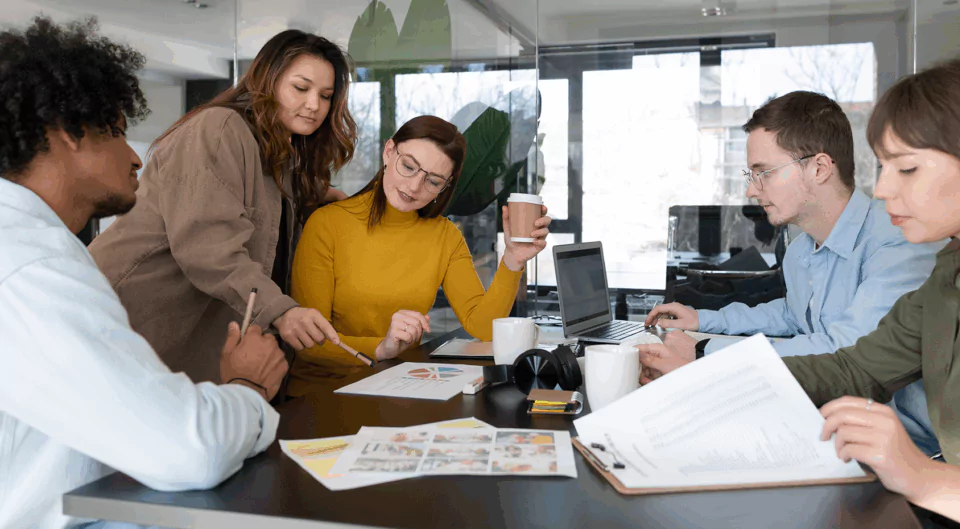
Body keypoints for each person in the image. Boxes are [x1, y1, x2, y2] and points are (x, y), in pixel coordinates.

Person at [646, 56, 960, 529]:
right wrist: (712, 376)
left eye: (906, 169)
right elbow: (854, 366)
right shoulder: (951, 269)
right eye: (883, 167)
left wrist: (924, 477)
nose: (882, 189)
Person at [0, 17, 288, 528]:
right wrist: (247, 388)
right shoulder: (34, 269)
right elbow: (187, 450)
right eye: (115, 131)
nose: (134, 156)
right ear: (67, 133)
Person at [640, 91, 945, 455]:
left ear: (819, 168)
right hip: (827, 421)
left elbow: (846, 352)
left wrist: (704, 351)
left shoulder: (898, 242)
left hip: (904, 453)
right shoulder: (802, 248)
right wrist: (703, 319)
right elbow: (792, 312)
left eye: (763, 173)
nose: (752, 190)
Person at [88, 29, 358, 385]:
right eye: (301, 88)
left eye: (325, 96)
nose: (314, 106)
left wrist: (325, 197)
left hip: (178, 346)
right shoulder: (220, 128)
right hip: (119, 317)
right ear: (269, 80)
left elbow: (262, 209)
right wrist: (281, 311)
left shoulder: (280, 155)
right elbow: (208, 247)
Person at [285, 115, 552, 396]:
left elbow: (483, 326)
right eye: (409, 166)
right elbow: (309, 342)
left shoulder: (445, 236)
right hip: (326, 395)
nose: (413, 187)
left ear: (445, 187)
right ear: (389, 152)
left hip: (401, 388)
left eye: (433, 181)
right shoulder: (328, 224)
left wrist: (514, 260)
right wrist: (381, 347)